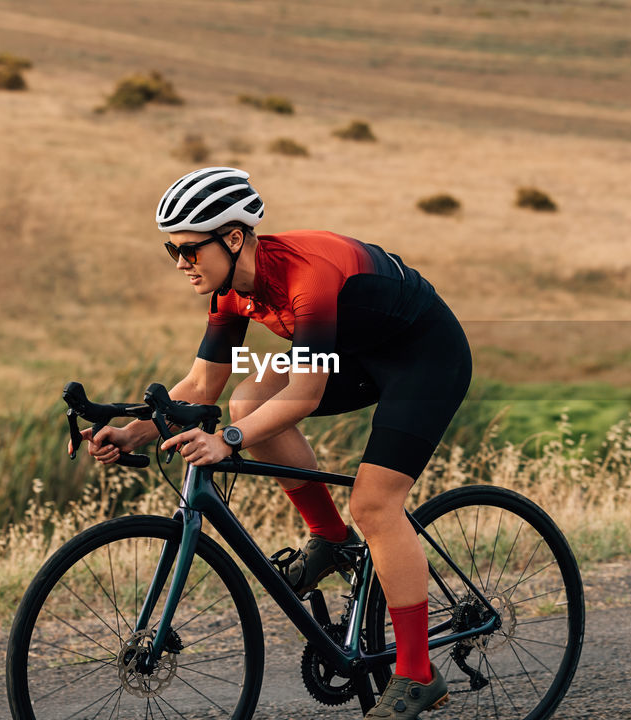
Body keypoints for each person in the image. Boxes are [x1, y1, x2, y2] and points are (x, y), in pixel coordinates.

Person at [80, 167, 472, 719]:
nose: (179, 263)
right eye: (172, 249)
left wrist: (229, 443)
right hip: (355, 353)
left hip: (424, 358)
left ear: (233, 238)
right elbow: (200, 387)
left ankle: (416, 675)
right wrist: (132, 430)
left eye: (189, 250)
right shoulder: (229, 293)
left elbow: (307, 393)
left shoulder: (306, 277)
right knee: (245, 400)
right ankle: (330, 540)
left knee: (375, 504)